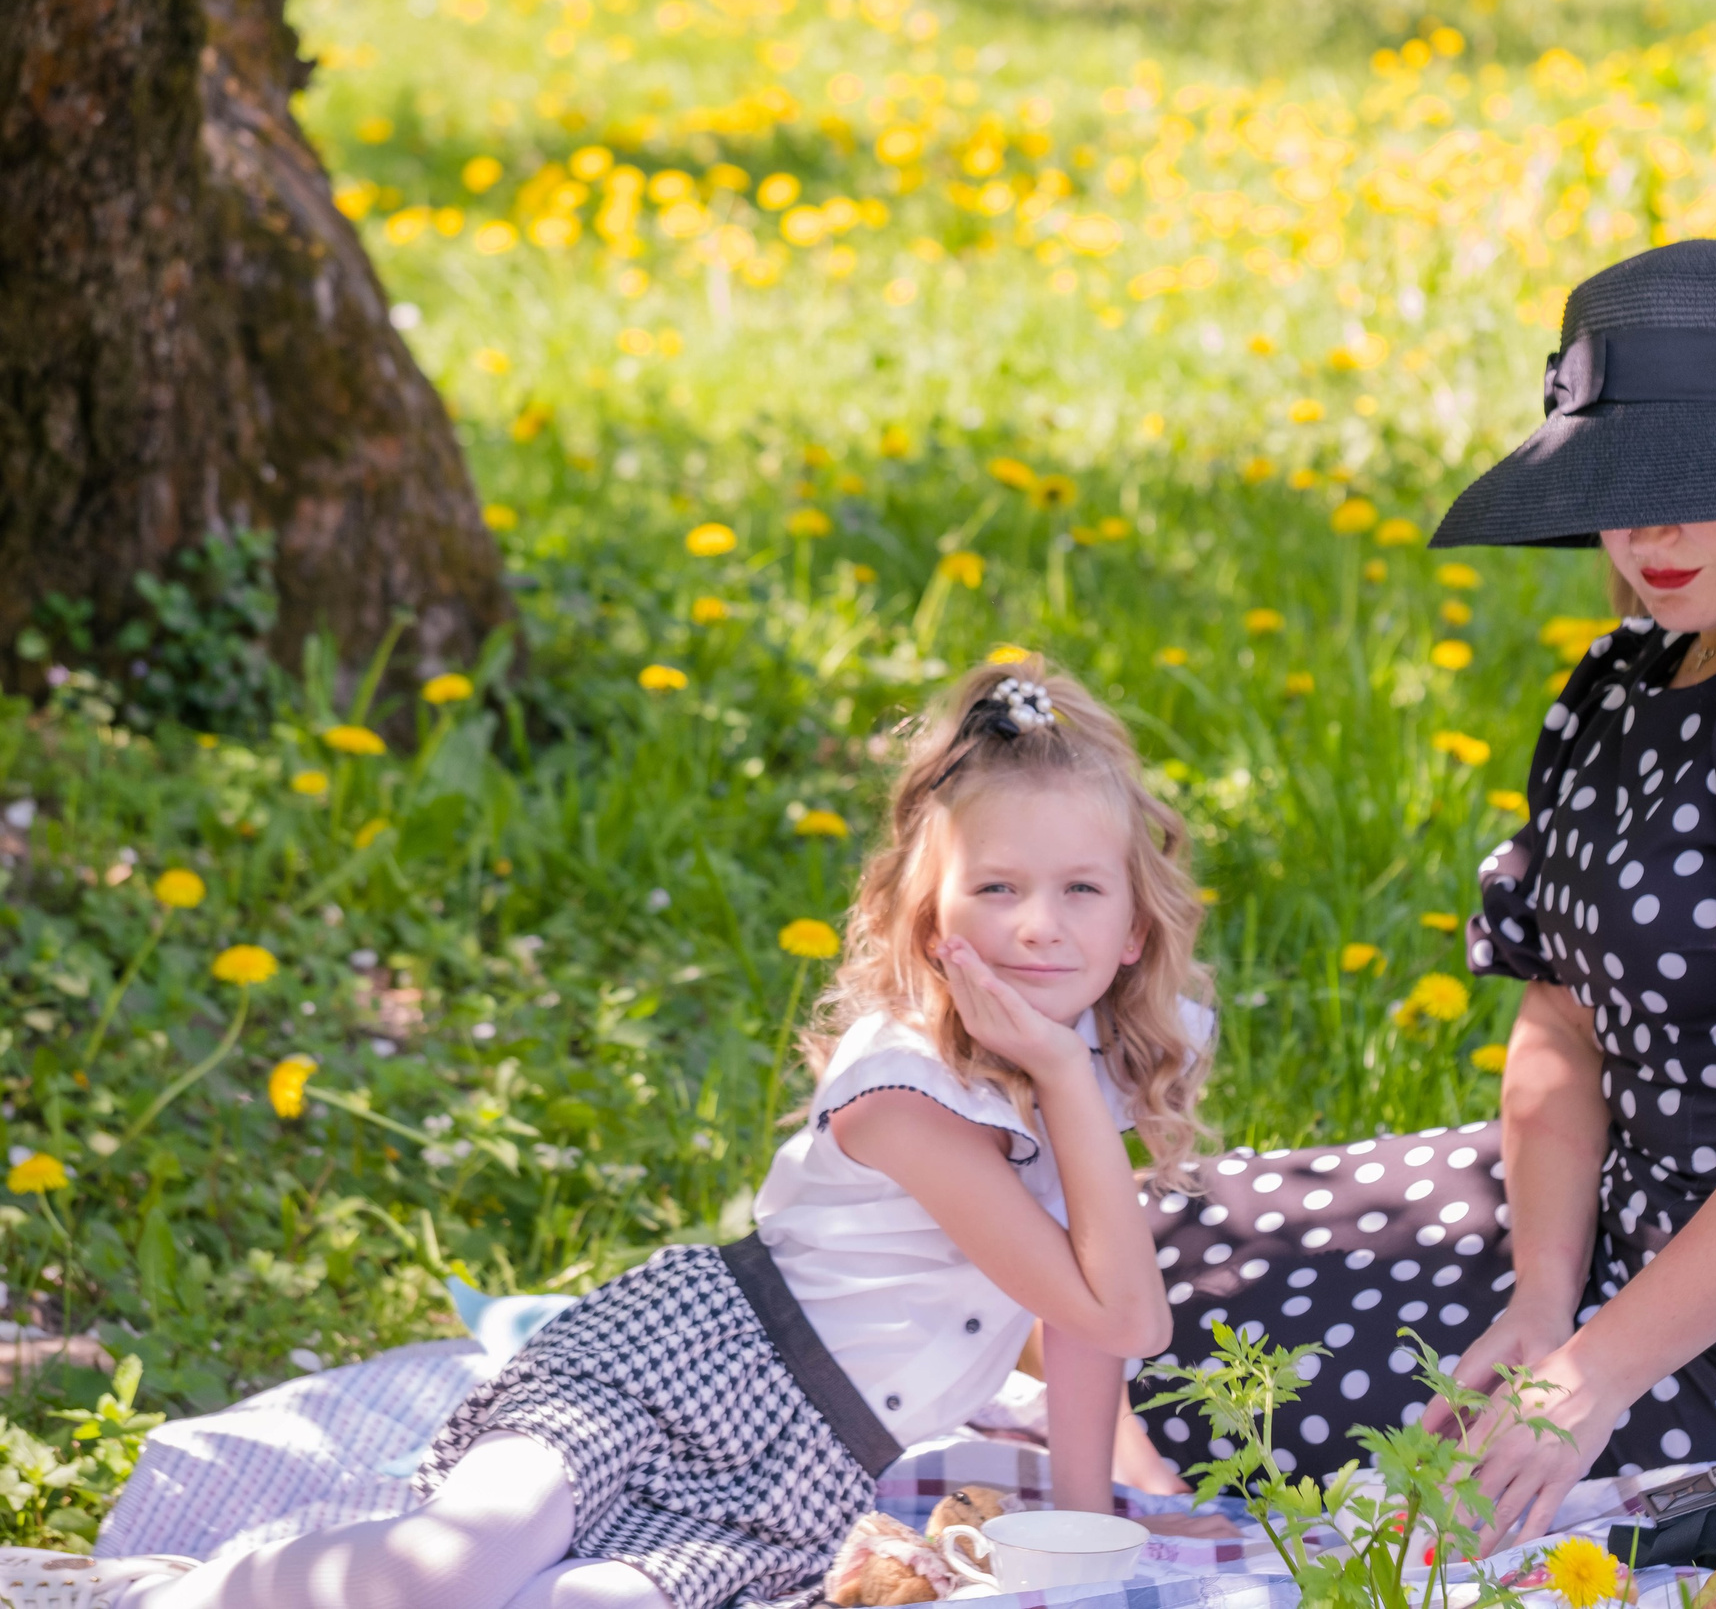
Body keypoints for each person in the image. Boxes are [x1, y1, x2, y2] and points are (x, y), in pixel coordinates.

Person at [1141, 239, 1716, 1546]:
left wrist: (1592, 1372)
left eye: (1696, 488)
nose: (1647, 532)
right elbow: (1561, 1017)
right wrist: (1540, 1299)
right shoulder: (1627, 680)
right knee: (1143, 1253)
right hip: (1612, 1237)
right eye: (1621, 488)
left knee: (1207, 1392)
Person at [49, 661, 1210, 1609]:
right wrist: (1063, 1074)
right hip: (680, 1364)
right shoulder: (905, 1088)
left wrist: (1092, 1524)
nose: (1038, 927)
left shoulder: (1076, 1066)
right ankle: (152, 1598)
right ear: (926, 918)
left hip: (810, 1465)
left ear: (1132, 930)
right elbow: (1120, 1313)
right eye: (995, 889)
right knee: (451, 1571)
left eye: (1080, 891)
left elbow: (1084, 1320)